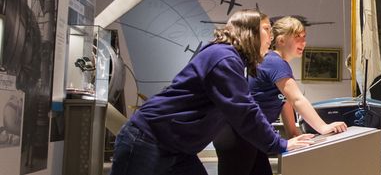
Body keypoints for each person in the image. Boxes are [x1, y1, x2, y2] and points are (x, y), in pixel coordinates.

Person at [109, 9, 316, 175]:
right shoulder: (223, 58)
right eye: (266, 29)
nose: (271, 36)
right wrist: (280, 144)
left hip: (178, 147)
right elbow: (244, 110)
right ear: (248, 31)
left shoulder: (235, 62)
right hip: (150, 138)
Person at [214, 16, 347, 175]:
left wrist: (292, 131)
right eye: (298, 37)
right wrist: (323, 127)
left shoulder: (274, 62)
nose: (303, 43)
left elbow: (285, 101)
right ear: (282, 40)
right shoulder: (275, 62)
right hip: (239, 136)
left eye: (304, 38)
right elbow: (297, 99)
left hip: (250, 135)